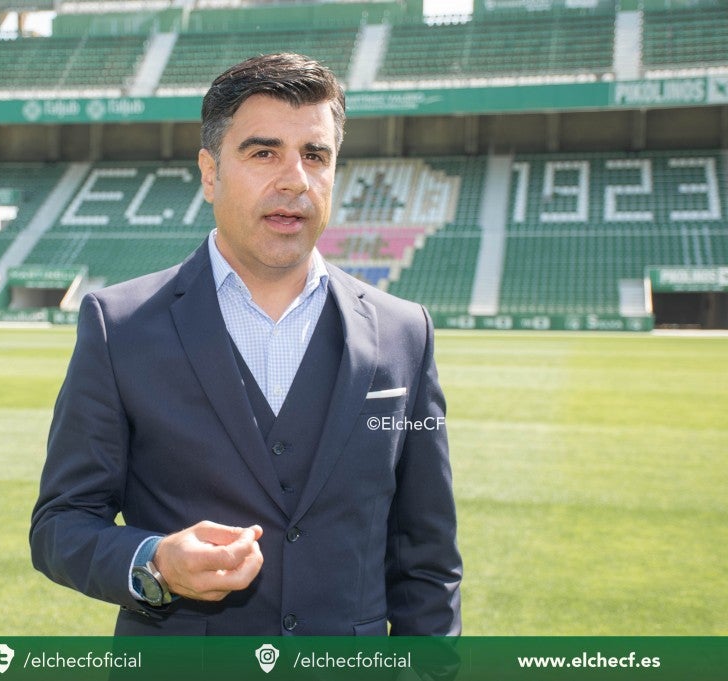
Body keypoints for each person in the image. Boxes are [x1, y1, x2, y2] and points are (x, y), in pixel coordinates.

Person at [30, 53, 462, 636]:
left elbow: (426, 558)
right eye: (263, 153)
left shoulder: (405, 333)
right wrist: (153, 561)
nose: (294, 180)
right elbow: (61, 523)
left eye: (316, 155)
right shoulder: (119, 326)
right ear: (210, 173)